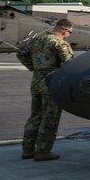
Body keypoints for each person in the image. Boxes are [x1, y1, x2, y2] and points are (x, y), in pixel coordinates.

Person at [16, 19, 74, 161]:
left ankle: (28, 150)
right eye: (70, 32)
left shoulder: (37, 40)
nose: (69, 35)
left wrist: (33, 67)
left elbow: (20, 52)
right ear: (64, 30)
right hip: (51, 82)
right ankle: (42, 151)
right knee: (50, 117)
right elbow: (69, 64)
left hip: (36, 81)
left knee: (35, 116)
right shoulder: (60, 43)